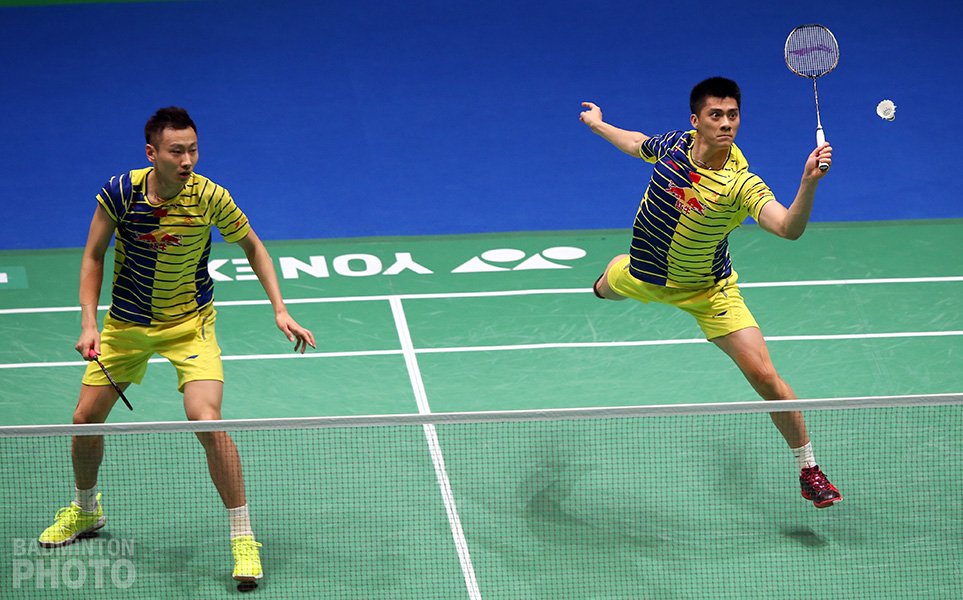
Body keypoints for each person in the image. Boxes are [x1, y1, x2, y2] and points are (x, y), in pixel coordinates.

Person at [38, 107, 317, 582]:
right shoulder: (120, 193)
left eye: (192, 149)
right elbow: (92, 256)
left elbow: (254, 246)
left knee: (205, 420)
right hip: (126, 324)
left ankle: (243, 536)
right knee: (84, 420)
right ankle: (86, 509)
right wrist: (89, 324)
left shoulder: (211, 197)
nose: (187, 159)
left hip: (190, 323)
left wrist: (280, 308)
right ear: (152, 153)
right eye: (176, 151)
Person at [579, 77, 841, 508]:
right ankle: (612, 274)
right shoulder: (676, 146)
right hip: (644, 273)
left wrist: (808, 182)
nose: (726, 124)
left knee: (764, 377)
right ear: (696, 120)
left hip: (707, 290)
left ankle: (808, 468)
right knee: (605, 289)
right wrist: (598, 125)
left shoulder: (742, 184)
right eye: (716, 115)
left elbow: (787, 228)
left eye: (733, 116)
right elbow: (637, 143)